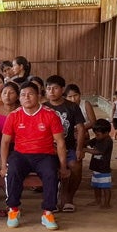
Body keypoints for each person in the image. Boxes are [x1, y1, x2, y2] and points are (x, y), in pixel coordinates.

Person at [0, 82, 67, 230]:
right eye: (23, 95)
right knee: (13, 171)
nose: (26, 97)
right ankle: (13, 210)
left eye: (30, 94)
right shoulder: (14, 115)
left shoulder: (50, 115)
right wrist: (3, 165)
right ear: (19, 97)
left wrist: (63, 166)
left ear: (39, 96)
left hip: (44, 155)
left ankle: (48, 212)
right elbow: (5, 142)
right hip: (21, 155)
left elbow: (60, 142)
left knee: (51, 173)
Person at [43, 76, 87, 212]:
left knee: (75, 165)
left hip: (69, 148)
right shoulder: (43, 107)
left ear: (62, 89)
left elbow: (80, 128)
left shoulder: (72, 107)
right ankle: (53, 199)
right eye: (49, 88)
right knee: (49, 169)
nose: (51, 91)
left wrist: (79, 148)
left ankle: (69, 198)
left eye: (55, 88)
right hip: (49, 149)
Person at [0, 82, 19, 166]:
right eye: (4, 92)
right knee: (2, 162)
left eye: (11, 92)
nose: (7, 95)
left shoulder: (21, 111)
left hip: (19, 146)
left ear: (18, 96)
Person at [86, 118, 114, 209]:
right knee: (96, 185)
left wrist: (86, 150)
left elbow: (98, 151)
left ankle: (107, 203)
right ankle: (97, 200)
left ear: (106, 133)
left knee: (106, 187)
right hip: (96, 167)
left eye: (98, 134)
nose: (96, 136)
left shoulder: (108, 141)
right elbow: (89, 142)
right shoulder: (98, 138)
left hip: (104, 168)